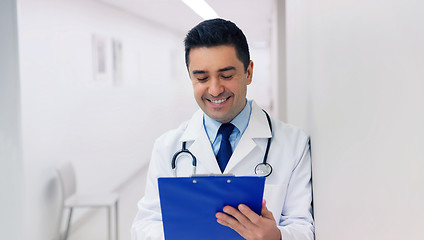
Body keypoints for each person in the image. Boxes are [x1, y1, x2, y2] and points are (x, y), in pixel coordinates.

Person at [131, 18, 314, 240]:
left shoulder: (293, 143)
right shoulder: (167, 147)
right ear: (191, 77)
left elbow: (304, 227)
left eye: (226, 76)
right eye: (202, 78)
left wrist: (277, 237)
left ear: (248, 73)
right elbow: (144, 226)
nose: (215, 89)